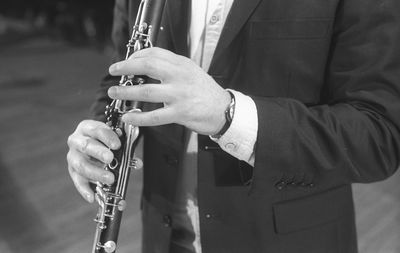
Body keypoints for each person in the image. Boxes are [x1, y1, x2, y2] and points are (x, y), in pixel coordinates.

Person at [67, 0, 400, 252]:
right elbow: (122, 73)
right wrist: (98, 135)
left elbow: (378, 135)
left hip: (284, 241)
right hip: (165, 234)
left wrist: (229, 115)